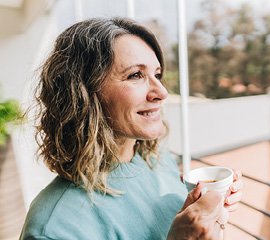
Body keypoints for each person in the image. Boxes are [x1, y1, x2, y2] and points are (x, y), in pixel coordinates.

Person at [20, 17, 243, 240]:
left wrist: (212, 214)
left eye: (157, 74)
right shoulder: (53, 229)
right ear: (83, 94)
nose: (162, 92)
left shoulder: (157, 160)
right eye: (135, 75)